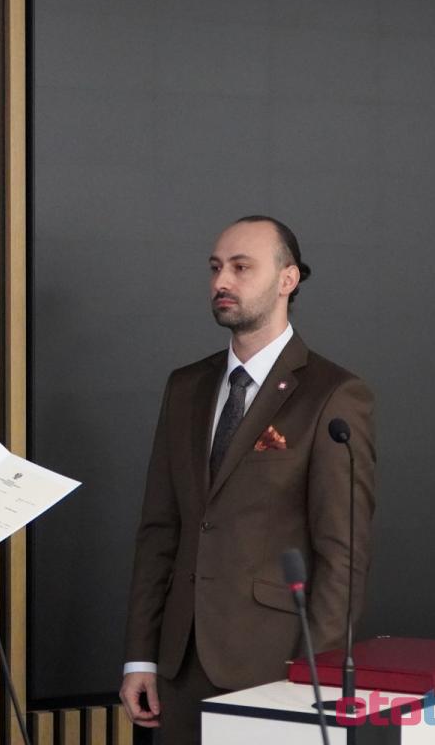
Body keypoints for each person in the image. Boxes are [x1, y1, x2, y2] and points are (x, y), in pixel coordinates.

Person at [118, 216, 376, 744]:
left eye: (241, 267)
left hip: (274, 667)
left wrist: (315, 674)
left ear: (288, 279)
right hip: (178, 668)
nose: (221, 281)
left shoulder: (332, 394)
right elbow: (160, 530)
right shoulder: (185, 387)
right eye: (215, 268)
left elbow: (343, 553)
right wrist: (141, 656)